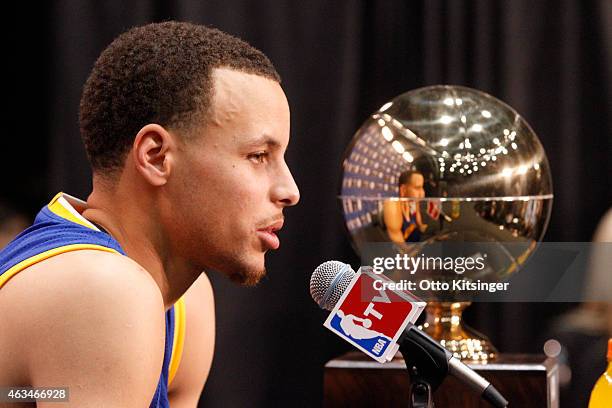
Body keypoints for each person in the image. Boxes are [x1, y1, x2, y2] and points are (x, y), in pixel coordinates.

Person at [0, 21, 299, 407]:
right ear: (156, 157)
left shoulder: (185, 301)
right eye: (258, 156)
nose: (290, 191)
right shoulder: (102, 288)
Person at [384, 170, 427, 243]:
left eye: (422, 187)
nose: (422, 193)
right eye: (417, 188)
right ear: (403, 189)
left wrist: (421, 226)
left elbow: (417, 215)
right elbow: (397, 238)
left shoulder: (414, 201)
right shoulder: (392, 205)